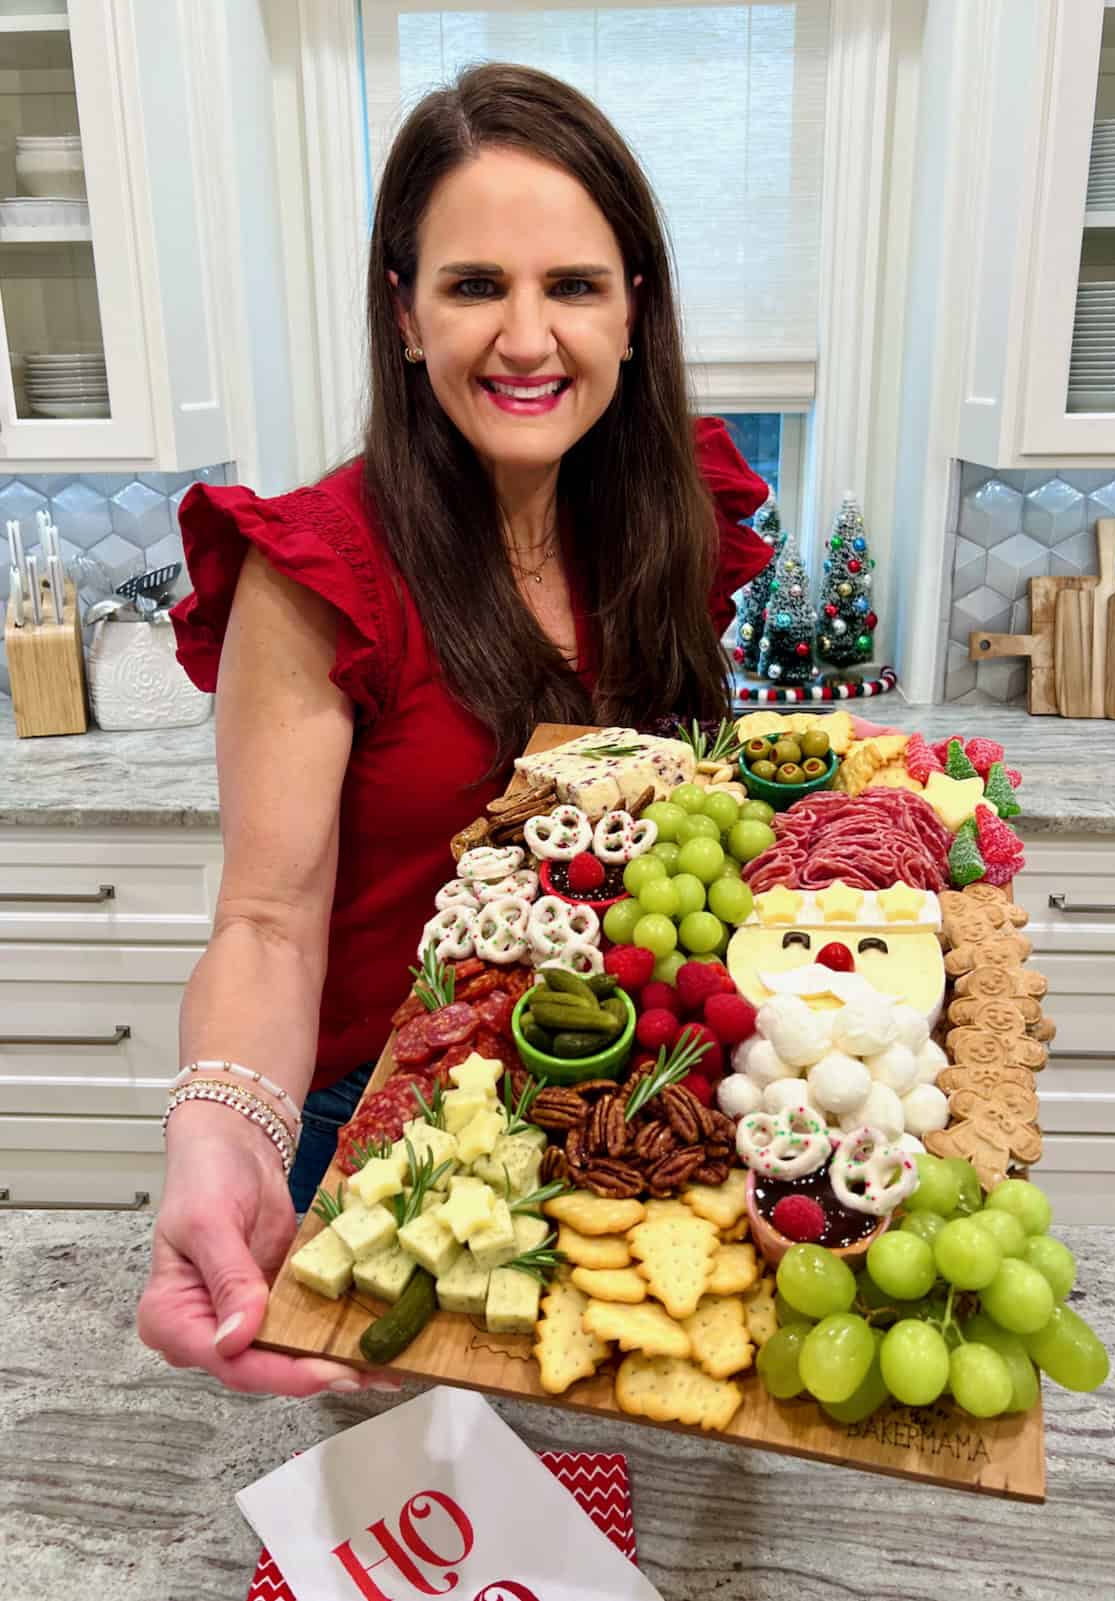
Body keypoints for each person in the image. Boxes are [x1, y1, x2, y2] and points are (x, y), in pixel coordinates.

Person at [136, 63, 772, 1397]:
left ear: (635, 311)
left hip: (608, 1100)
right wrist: (225, 1119)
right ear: (407, 316)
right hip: (384, 1130)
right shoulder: (319, 572)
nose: (527, 337)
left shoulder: (668, 525)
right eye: (476, 285)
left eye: (575, 286)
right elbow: (264, 917)